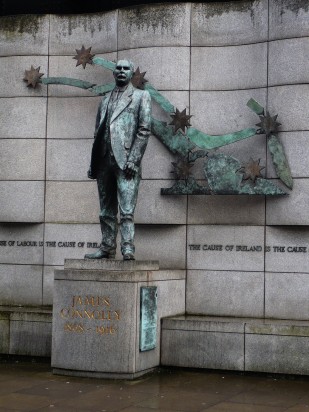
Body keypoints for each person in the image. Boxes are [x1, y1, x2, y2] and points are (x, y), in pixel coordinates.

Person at [85, 59, 151, 261]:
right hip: (104, 160)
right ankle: (107, 247)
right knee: (105, 209)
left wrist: (134, 159)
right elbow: (98, 132)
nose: (121, 71)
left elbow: (144, 129)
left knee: (127, 209)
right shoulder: (104, 100)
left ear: (131, 73)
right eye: (118, 68)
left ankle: (128, 248)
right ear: (114, 73)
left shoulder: (141, 96)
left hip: (126, 162)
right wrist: (93, 162)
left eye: (126, 68)